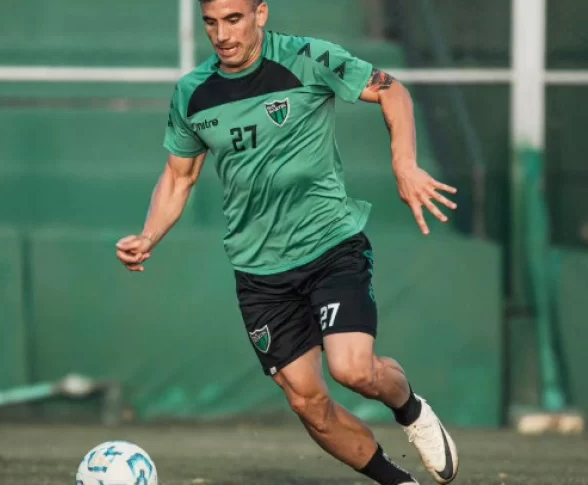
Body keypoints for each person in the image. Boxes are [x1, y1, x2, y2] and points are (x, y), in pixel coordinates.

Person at [116, 0, 459, 483]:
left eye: (233, 19)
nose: (222, 35)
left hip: (330, 246)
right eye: (211, 22)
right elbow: (178, 177)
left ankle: (410, 410)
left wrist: (404, 165)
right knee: (307, 403)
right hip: (259, 272)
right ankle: (398, 481)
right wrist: (149, 235)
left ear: (260, 13)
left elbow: (391, 91)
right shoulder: (193, 92)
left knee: (353, 370)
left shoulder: (307, 57)